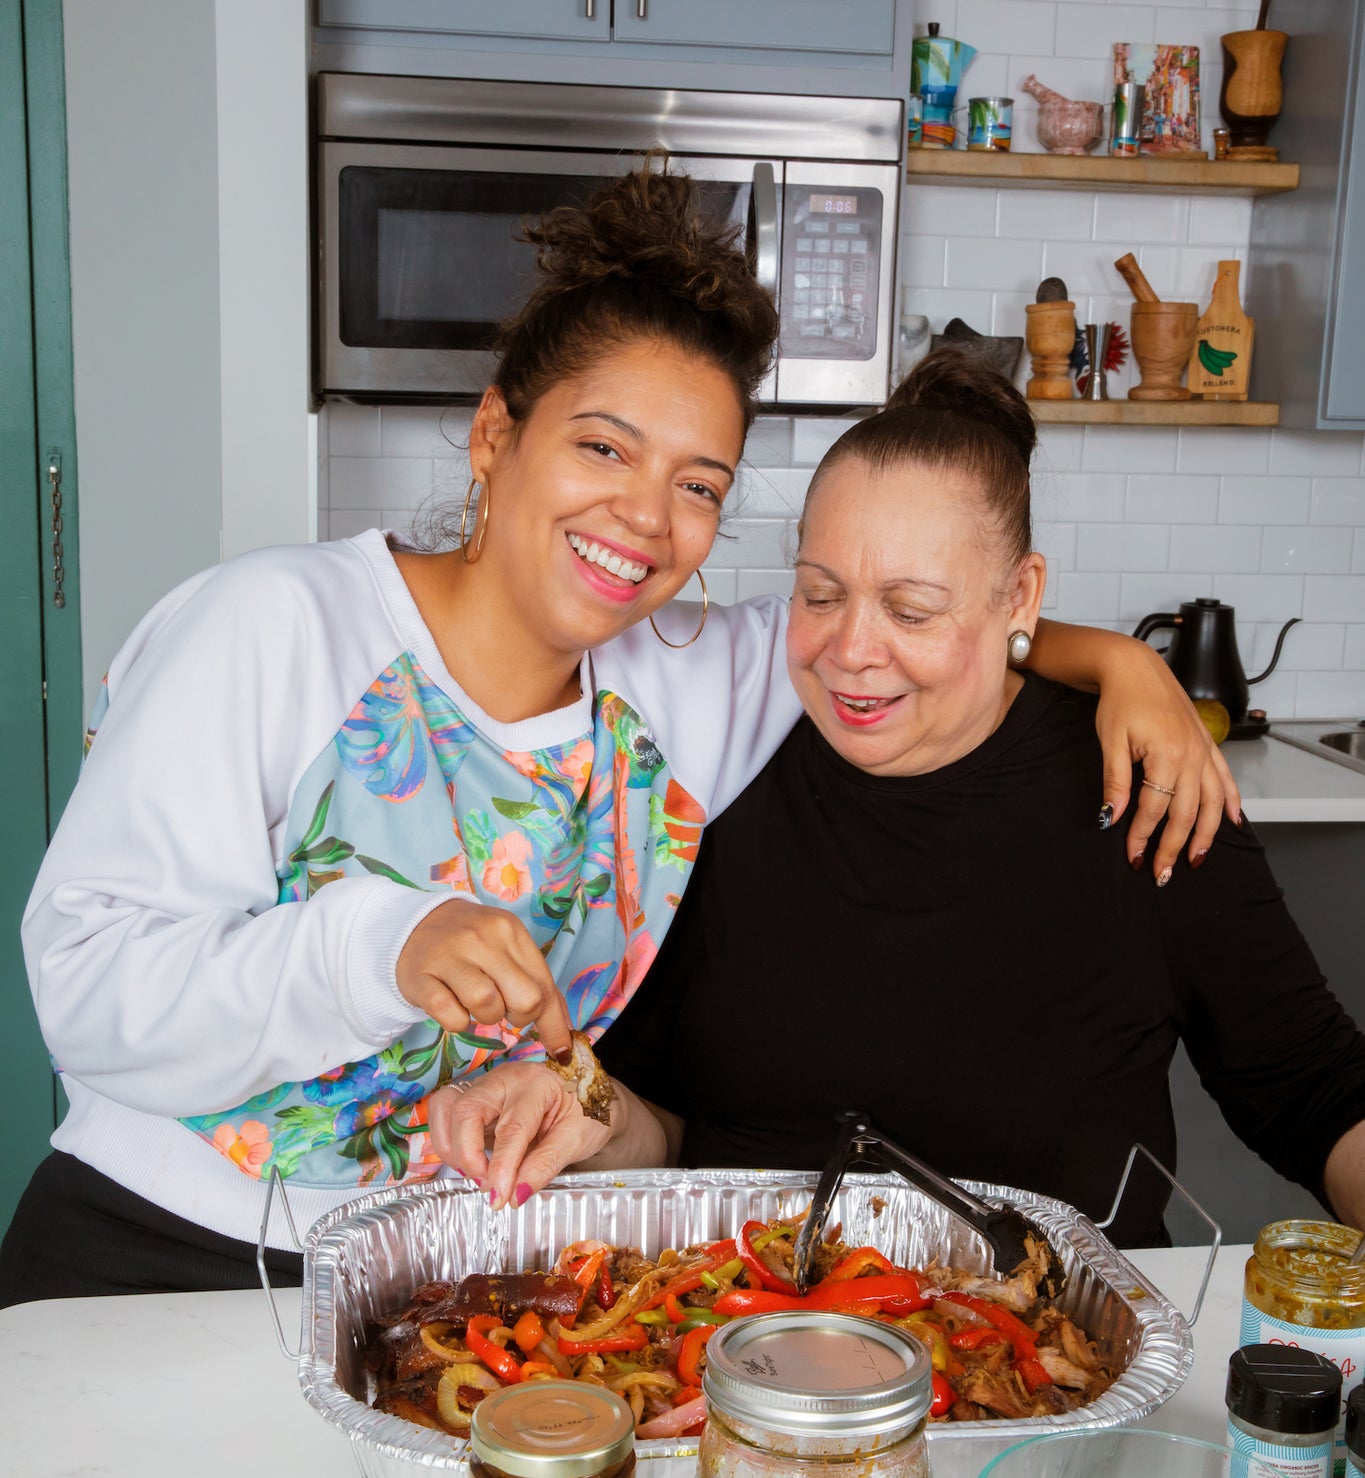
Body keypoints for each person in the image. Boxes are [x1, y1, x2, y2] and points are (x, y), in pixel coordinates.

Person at [8, 173, 1232, 1304]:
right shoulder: (274, 625)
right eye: (604, 446)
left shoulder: (683, 678)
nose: (647, 517)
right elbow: (86, 981)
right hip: (162, 1249)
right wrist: (379, 944)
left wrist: (1120, 662)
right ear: (497, 434)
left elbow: (908, 622)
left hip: (461, 1269)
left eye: (700, 483)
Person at [569, 353, 1365, 1246]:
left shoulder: (1142, 791)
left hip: (1053, 1360)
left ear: (1020, 596)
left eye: (910, 611)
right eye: (819, 594)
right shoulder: (727, 764)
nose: (850, 651)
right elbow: (661, 1122)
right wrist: (584, 1113)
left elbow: (1313, 1088)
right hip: (748, 1338)